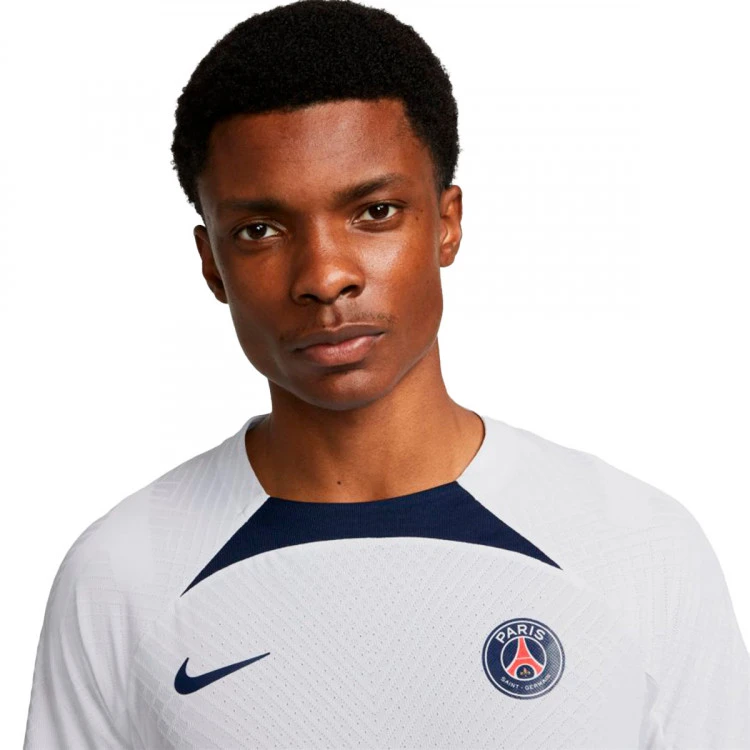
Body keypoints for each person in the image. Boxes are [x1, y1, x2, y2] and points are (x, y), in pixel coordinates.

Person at [23, 0, 749, 747]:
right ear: (212, 264)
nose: (324, 276)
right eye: (260, 230)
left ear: (447, 223)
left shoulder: (637, 549)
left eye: (374, 212)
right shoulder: (124, 576)